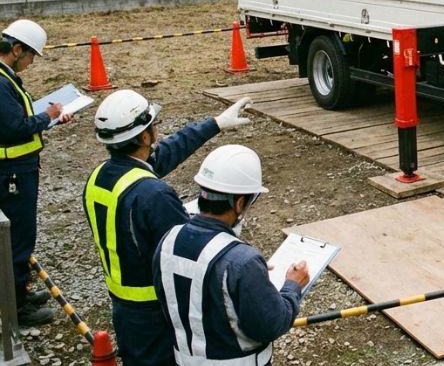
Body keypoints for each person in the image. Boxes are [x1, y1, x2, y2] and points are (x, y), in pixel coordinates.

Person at [84, 90, 252, 366]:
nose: (157, 130)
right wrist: (228, 233)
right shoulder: (153, 194)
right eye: (154, 124)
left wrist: (215, 124)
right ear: (144, 137)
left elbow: (164, 155)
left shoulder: (99, 177)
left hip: (124, 309)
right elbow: (187, 252)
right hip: (157, 312)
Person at [154, 145, 308, 365]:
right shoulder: (242, 262)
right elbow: (272, 325)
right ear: (239, 202)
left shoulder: (168, 240)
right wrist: (293, 286)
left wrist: (251, 276)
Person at [0, 19, 74, 327]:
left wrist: (48, 120)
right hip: (12, 173)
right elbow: (14, 127)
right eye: (31, 55)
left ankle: (19, 292)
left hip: (18, 169)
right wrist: (47, 116)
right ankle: (17, 309)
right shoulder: (1, 83)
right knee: (18, 237)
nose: (32, 62)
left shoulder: (7, 78)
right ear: (17, 50)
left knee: (21, 235)